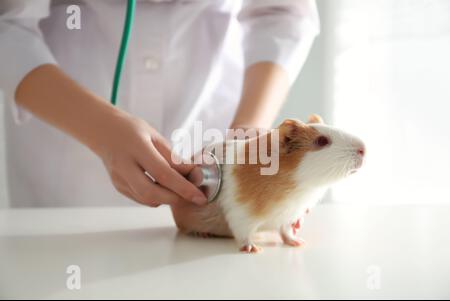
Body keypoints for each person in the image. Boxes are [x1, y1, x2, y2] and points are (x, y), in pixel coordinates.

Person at [0, 0, 319, 226]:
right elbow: (7, 23)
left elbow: (283, 11)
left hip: (216, 101)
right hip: (66, 132)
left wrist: (248, 129)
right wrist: (99, 128)